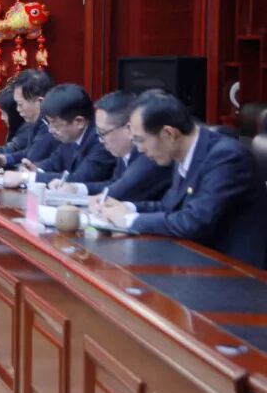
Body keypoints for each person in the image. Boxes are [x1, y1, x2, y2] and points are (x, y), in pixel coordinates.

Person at [98, 92, 267, 269]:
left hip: (233, 269)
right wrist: (127, 208)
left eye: (141, 140)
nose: (139, 149)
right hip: (193, 258)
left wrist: (129, 220)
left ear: (169, 134)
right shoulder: (183, 151)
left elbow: (194, 222)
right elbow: (169, 206)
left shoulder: (226, 157)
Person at [51, 90, 171, 201]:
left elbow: (120, 191)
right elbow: (114, 183)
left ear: (128, 129)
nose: (100, 140)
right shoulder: (123, 151)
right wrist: (76, 188)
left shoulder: (147, 152)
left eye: (103, 133)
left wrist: (82, 193)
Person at [3, 83, 115, 188]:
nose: (50, 130)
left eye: (55, 124)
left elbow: (79, 179)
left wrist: (27, 178)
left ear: (79, 122)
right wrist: (36, 170)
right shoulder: (70, 136)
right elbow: (54, 162)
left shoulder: (101, 140)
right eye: (49, 123)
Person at [0, 69, 59, 169]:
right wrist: (4, 159)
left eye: (20, 104)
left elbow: (32, 159)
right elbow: (28, 152)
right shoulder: (35, 123)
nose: (18, 109)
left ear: (40, 102)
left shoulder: (51, 126)